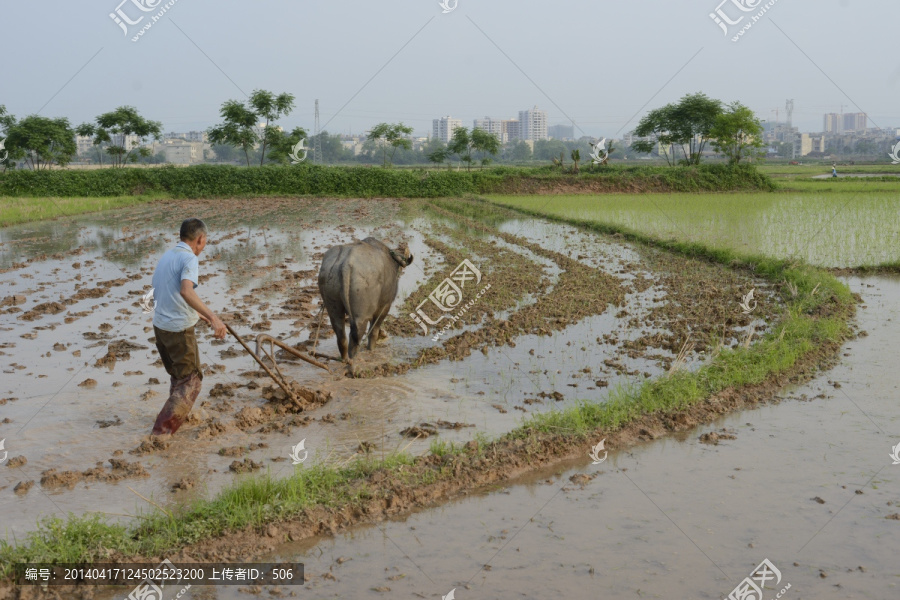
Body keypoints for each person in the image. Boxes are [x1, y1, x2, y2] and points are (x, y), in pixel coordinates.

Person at [150, 218, 226, 435]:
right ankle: (161, 433)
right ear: (200, 239)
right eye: (205, 242)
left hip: (160, 328)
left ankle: (173, 421)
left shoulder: (168, 256)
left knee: (178, 377)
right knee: (191, 382)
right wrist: (213, 318)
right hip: (178, 331)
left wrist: (196, 313)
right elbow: (185, 290)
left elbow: (166, 290)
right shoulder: (189, 258)